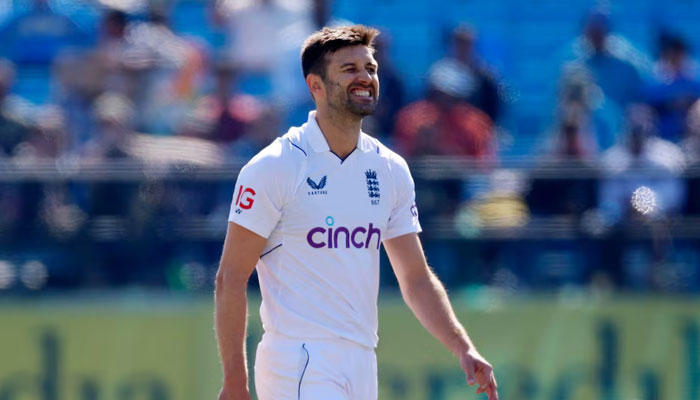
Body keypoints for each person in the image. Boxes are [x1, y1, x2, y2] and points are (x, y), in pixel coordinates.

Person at [214, 25, 498, 400]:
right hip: (299, 358)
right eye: (349, 69)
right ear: (315, 85)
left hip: (362, 359)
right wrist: (235, 379)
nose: (365, 77)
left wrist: (463, 346)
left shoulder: (390, 168)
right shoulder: (275, 166)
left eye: (371, 68)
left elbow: (414, 277)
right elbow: (230, 278)